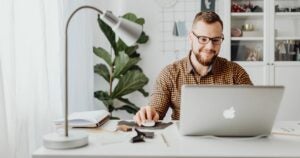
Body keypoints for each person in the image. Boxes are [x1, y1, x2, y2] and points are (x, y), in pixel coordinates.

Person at [134, 11, 253, 126]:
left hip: (227, 141)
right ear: (191, 37)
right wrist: (149, 114)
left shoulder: (235, 72)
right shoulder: (170, 73)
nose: (210, 46)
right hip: (184, 143)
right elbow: (156, 110)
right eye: (203, 39)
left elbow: (253, 110)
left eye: (216, 40)